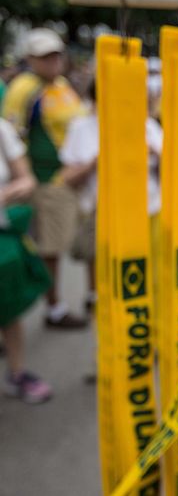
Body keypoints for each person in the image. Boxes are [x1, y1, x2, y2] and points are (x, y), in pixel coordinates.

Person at [2, 28, 87, 328]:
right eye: (45, 57)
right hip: (47, 179)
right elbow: (14, 139)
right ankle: (54, 307)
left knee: (63, 244)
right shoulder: (24, 89)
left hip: (69, 176)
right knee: (49, 247)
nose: (53, 62)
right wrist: (28, 180)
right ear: (32, 59)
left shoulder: (61, 85)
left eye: (55, 55)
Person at [60, 79, 163, 322]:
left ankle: (145, 327)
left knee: (147, 276)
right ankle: (109, 327)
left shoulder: (148, 126)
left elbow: (172, 171)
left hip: (148, 213)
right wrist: (95, 161)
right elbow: (67, 177)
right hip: (103, 215)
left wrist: (154, 152)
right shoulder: (81, 128)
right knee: (108, 279)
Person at [0, 117, 52, 403]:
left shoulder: (2, 130)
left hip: (3, 235)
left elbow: (26, 178)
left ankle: (16, 373)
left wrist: (15, 189)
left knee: (8, 306)